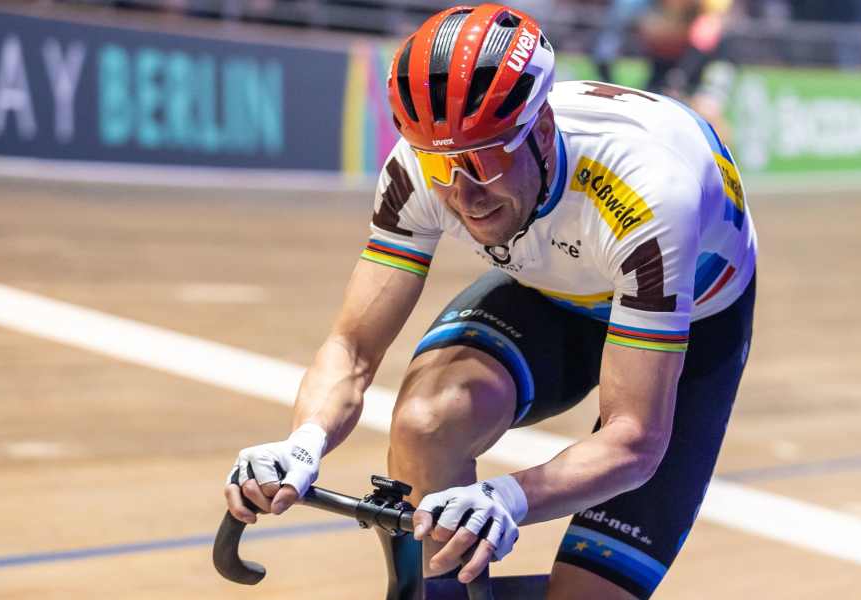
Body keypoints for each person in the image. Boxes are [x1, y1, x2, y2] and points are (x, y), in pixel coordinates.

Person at [224, 3, 757, 599]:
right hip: (554, 289)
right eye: (441, 165)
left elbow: (635, 438)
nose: (463, 194)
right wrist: (303, 441)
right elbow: (351, 349)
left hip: (694, 315)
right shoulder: (419, 169)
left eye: (483, 161)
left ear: (544, 132)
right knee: (429, 422)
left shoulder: (650, 196)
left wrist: (507, 498)